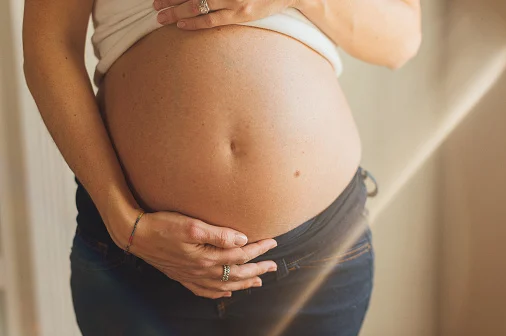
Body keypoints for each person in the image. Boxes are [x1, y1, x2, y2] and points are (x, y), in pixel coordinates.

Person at [22, 0, 421, 334]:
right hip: (139, 262)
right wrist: (124, 221)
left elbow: (400, 39)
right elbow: (49, 44)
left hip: (315, 259)